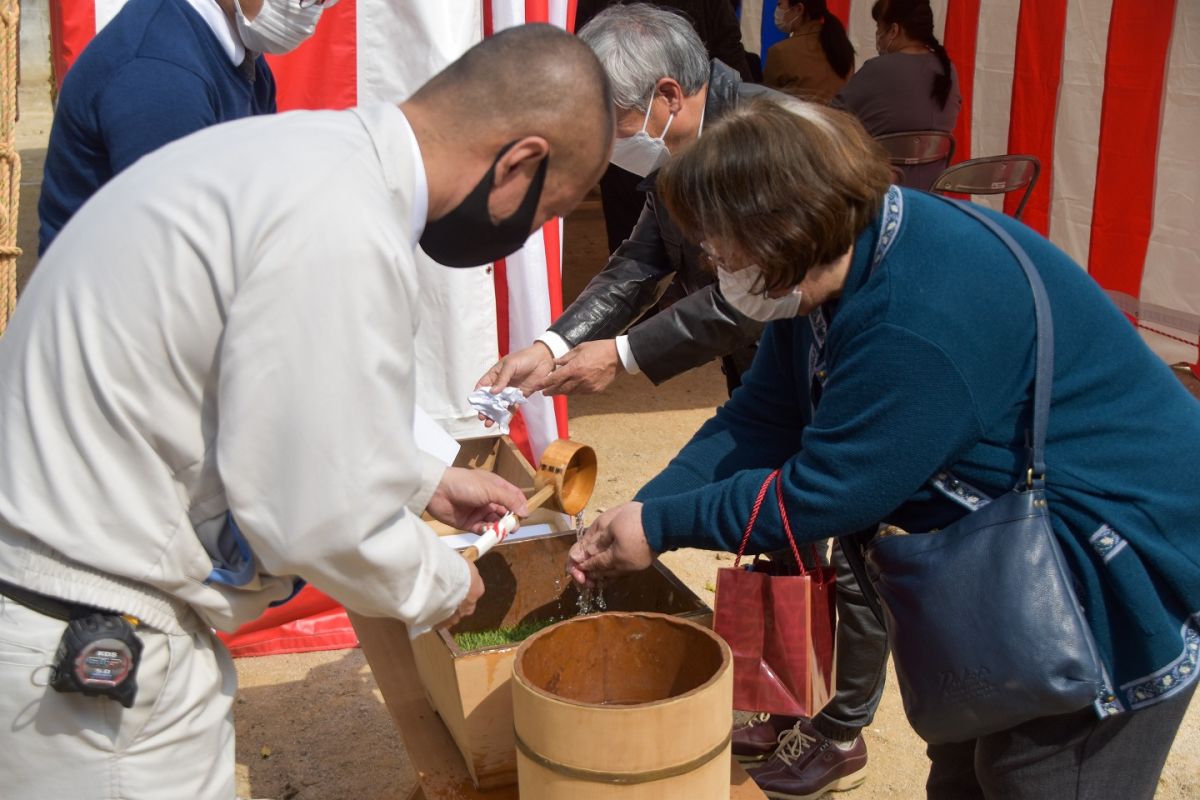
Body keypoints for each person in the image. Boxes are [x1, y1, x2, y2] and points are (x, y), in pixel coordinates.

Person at [0, 24, 612, 799]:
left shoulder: (302, 162)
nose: (521, 237)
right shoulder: (340, 226)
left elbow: (275, 401)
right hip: (93, 641)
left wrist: (422, 479)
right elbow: (313, 510)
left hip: (69, 594)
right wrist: (440, 583)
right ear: (517, 162)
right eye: (542, 211)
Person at [567, 98, 1200, 799]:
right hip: (998, 557)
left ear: (783, 234)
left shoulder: (916, 317)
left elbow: (828, 490)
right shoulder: (826, 264)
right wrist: (651, 503)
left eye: (720, 247)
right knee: (964, 769)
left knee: (1039, 774)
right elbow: (762, 416)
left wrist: (661, 527)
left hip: (1101, 559)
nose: (716, 264)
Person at [478, 8, 888, 798]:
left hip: (838, 352)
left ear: (668, 93)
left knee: (851, 528)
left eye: (616, 124)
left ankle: (843, 726)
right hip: (766, 365)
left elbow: (760, 287)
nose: (612, 146)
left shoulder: (774, 132)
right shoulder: (670, 146)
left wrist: (626, 354)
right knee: (770, 519)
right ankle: (777, 693)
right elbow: (644, 258)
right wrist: (556, 345)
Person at [37, 0, 334, 255]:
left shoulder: (238, 55)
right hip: (120, 304)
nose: (308, 12)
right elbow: (175, 259)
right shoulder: (161, 76)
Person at [575, 0, 757, 253]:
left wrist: (738, 115)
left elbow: (752, 281)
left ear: (671, 94)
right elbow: (637, 257)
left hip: (684, 118)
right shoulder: (654, 158)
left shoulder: (766, 148)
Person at [832, 0, 960, 190]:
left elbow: (830, 118)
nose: (877, 35)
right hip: (930, 193)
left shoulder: (878, 69)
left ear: (894, 30)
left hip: (878, 191)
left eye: (878, 27)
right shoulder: (948, 70)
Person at [763, 0, 855, 102]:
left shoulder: (780, 51)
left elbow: (767, 104)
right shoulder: (842, 47)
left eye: (779, 4)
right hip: (838, 117)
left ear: (798, 9)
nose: (777, 10)